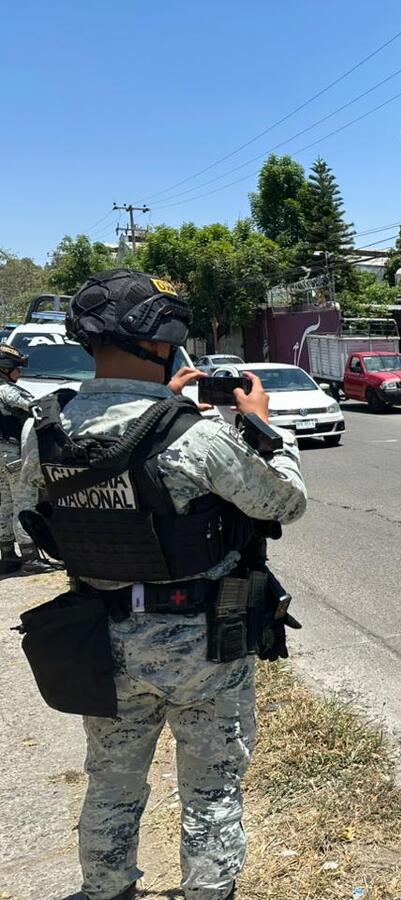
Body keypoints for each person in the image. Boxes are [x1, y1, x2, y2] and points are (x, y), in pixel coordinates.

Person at [17, 268, 307, 900]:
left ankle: (107, 890)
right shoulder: (195, 434)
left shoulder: (43, 429)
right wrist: (263, 427)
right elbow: (284, 504)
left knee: (112, 784)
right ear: (160, 339)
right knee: (211, 787)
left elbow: (26, 523)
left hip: (100, 638)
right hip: (204, 642)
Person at [0, 343, 39, 574]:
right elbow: (35, 407)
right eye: (17, 367)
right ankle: (30, 557)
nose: (20, 372)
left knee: (4, 504)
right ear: (5, 368)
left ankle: (6, 554)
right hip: (13, 455)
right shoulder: (6, 390)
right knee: (23, 503)